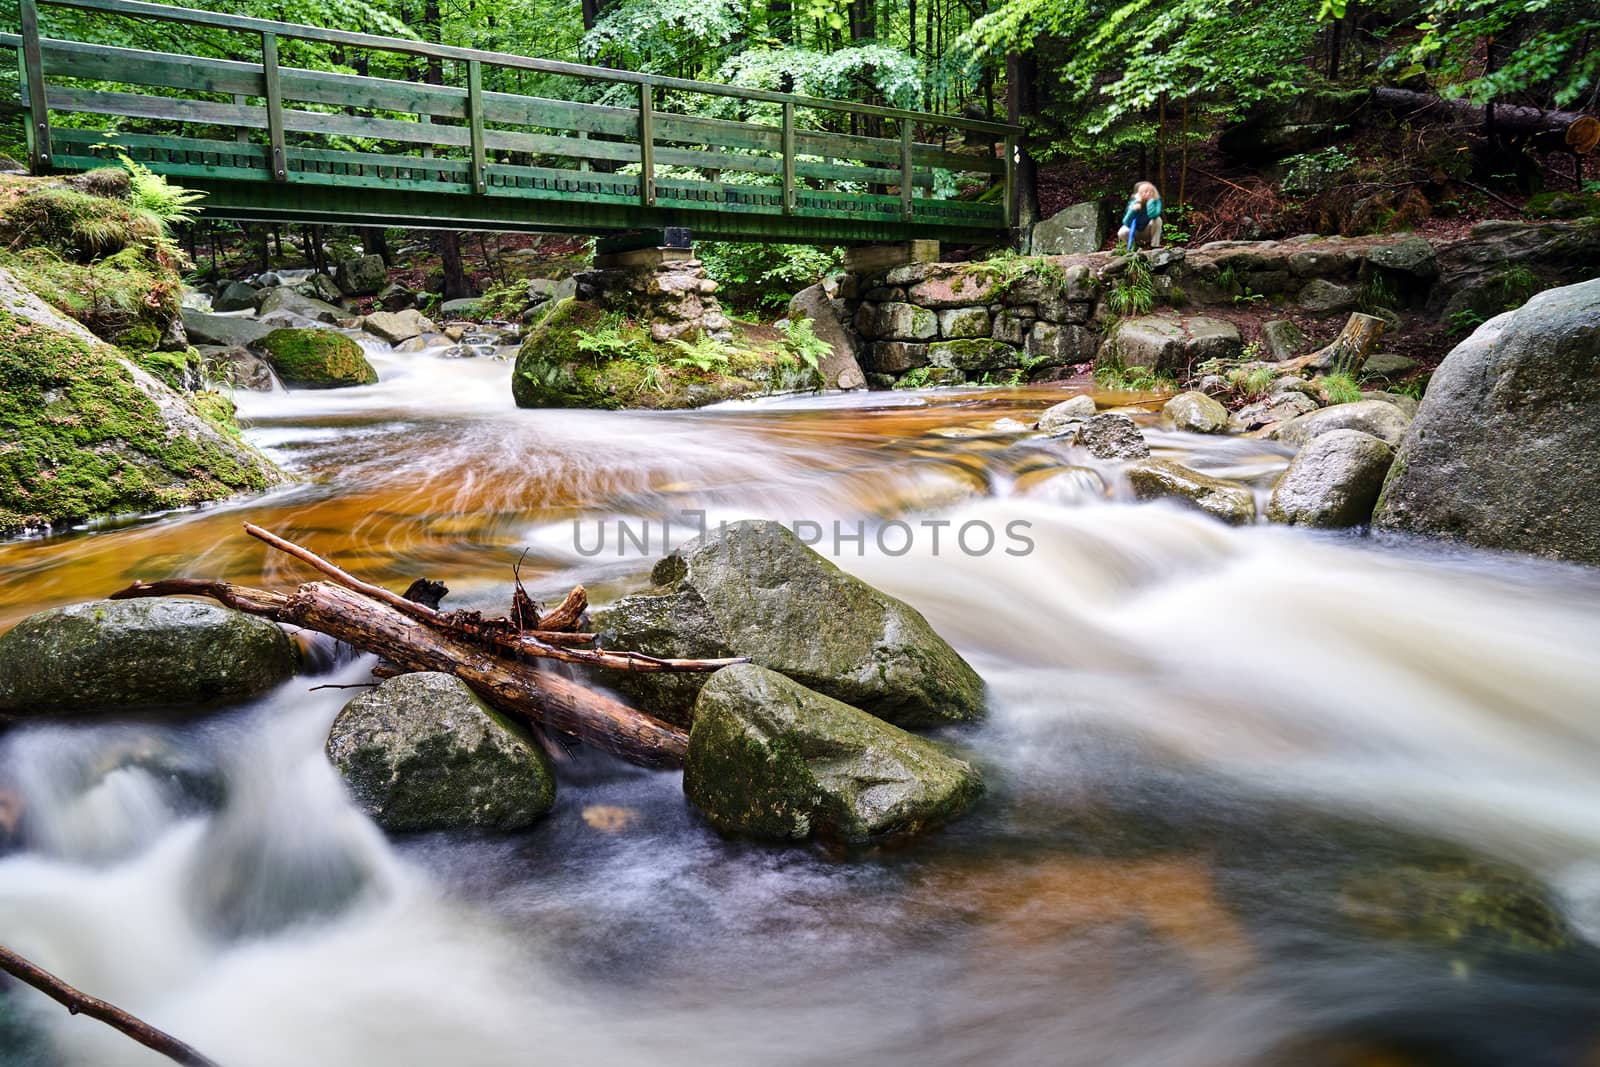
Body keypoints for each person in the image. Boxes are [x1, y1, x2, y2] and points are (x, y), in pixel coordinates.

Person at [1117, 181, 1163, 251]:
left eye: (1151, 191)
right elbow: (1126, 222)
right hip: (1135, 231)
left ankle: (1155, 245)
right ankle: (1133, 248)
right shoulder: (1134, 202)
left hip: (1148, 231)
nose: (1149, 193)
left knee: (1158, 220)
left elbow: (1153, 215)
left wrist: (1150, 202)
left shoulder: (1156, 201)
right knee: (1122, 232)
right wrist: (1133, 209)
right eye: (1145, 191)